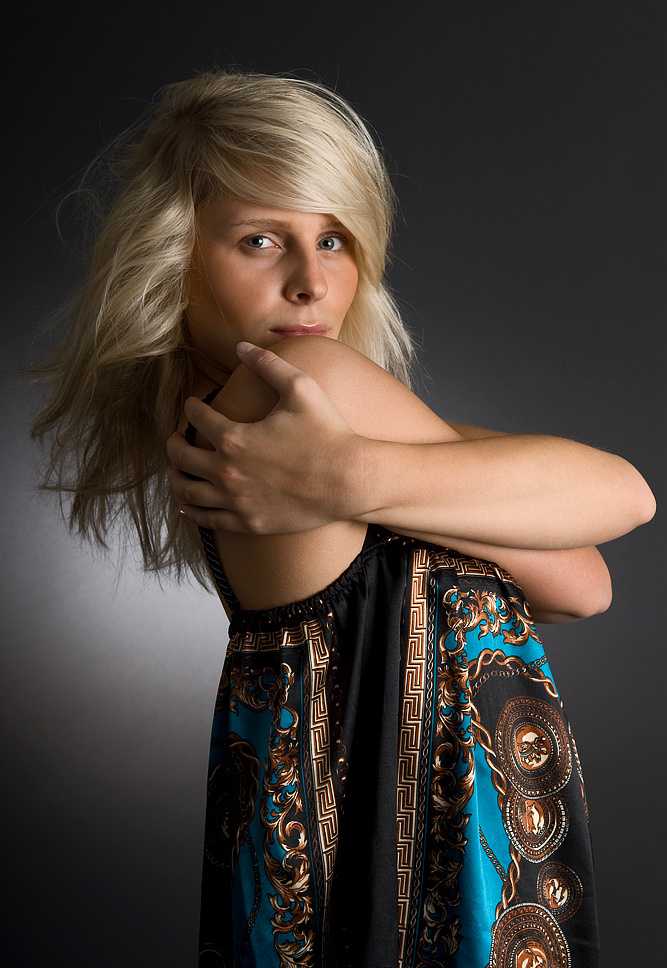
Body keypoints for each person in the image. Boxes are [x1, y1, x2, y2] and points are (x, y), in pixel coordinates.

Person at [32, 71, 655, 968]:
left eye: (333, 238)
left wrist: (347, 473)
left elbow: (577, 576)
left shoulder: (252, 423)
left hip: (322, 866)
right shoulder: (306, 385)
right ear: (174, 257)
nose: (311, 281)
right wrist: (358, 470)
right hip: (409, 875)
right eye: (259, 240)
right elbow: (616, 513)